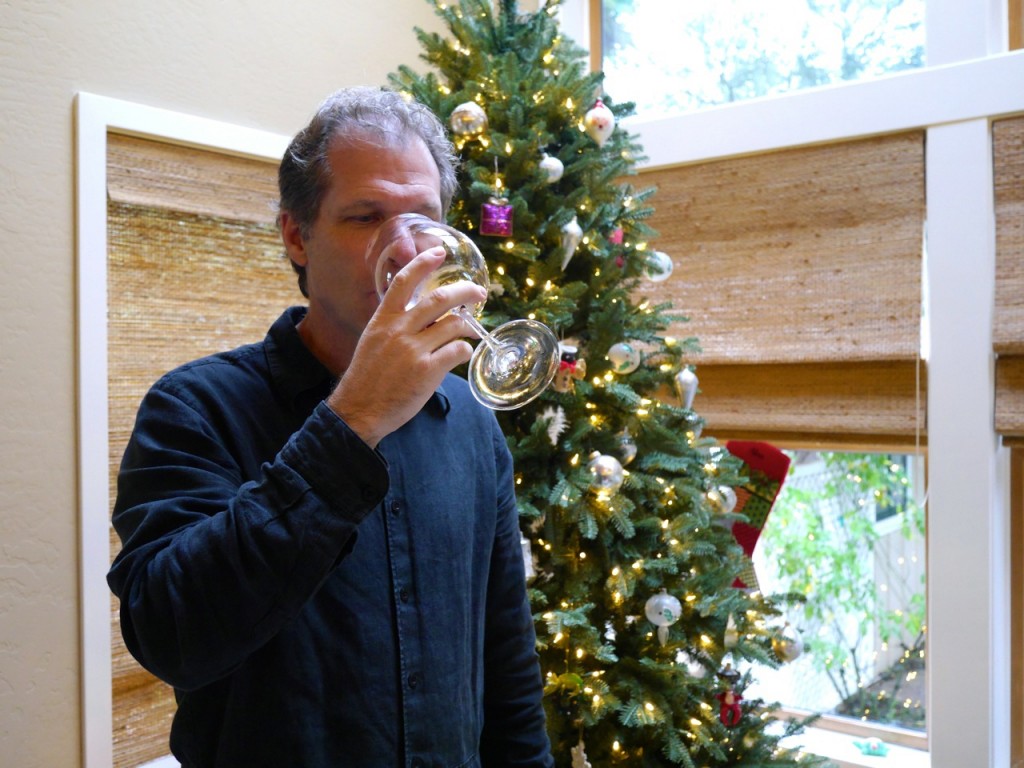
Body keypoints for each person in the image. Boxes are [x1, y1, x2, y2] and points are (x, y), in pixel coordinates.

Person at [107, 86, 554, 768]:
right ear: (296, 235)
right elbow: (171, 635)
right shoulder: (194, 408)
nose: (409, 251)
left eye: (426, 218)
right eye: (367, 215)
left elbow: (507, 672)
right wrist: (355, 420)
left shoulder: (470, 423)